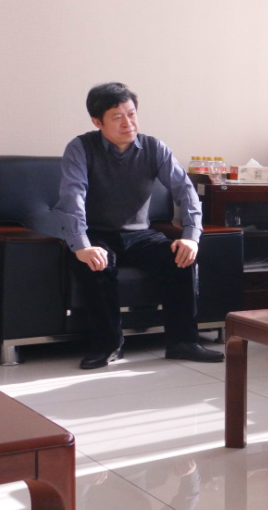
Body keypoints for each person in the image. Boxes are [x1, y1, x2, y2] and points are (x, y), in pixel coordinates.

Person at [53, 82, 224, 369]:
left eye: (131, 114)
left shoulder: (155, 148)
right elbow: (73, 197)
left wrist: (191, 236)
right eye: (117, 117)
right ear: (97, 122)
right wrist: (81, 245)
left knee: (180, 257)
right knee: (96, 264)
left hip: (139, 234)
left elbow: (185, 191)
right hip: (96, 233)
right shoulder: (81, 148)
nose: (128, 123)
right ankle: (108, 345)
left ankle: (183, 342)